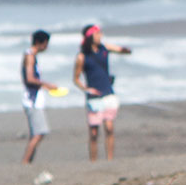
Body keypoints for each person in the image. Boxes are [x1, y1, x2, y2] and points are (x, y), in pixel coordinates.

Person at [72, 24, 130, 161]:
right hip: (94, 96)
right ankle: (94, 161)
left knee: (109, 127)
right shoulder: (82, 56)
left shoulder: (105, 48)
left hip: (108, 92)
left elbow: (120, 50)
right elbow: (75, 78)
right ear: (90, 37)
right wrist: (86, 89)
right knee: (93, 132)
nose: (100, 36)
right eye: (97, 34)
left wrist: (125, 50)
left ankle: (110, 159)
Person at [21, 29, 60, 164]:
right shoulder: (30, 56)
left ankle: (28, 161)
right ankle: (25, 162)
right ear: (39, 42)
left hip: (34, 99)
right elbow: (30, 78)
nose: (47, 47)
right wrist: (47, 85)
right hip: (32, 100)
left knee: (36, 133)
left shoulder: (32, 55)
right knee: (39, 133)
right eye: (46, 43)